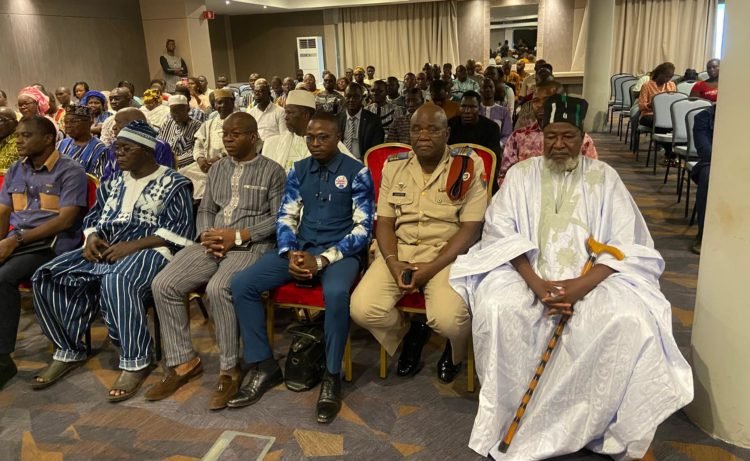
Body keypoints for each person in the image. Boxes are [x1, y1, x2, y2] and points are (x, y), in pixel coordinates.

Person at [449, 95, 693, 459]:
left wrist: (579, 288)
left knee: (629, 319)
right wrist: (537, 284)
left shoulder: (604, 177)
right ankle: (507, 417)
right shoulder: (520, 175)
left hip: (591, 278)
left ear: (583, 137)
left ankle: (593, 423)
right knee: (499, 309)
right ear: (542, 135)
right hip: (528, 274)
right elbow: (501, 233)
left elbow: (624, 242)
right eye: (552, 136)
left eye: (568, 136)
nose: (559, 144)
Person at [31, 120, 195, 401]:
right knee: (47, 276)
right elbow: (94, 218)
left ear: (146, 151)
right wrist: (92, 238)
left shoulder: (175, 183)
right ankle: (68, 349)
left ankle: (136, 360)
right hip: (107, 248)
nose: (117, 153)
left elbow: (180, 232)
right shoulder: (113, 183)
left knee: (117, 279)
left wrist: (132, 246)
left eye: (126, 149)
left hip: (153, 250)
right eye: (116, 148)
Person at [228, 112, 375, 424]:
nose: (315, 143)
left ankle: (332, 377)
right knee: (242, 284)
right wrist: (291, 252)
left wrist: (322, 260)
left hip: (340, 253)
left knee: (336, 294)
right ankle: (264, 365)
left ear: (338, 138)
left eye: (323, 137)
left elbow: (363, 230)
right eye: (310, 137)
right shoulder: (298, 169)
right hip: (300, 248)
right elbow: (286, 216)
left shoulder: (357, 172)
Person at [147, 113, 286, 410]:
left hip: (250, 245)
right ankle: (183, 361)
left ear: (253, 137)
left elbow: (279, 219)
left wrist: (237, 236)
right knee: (164, 283)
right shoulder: (218, 168)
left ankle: (229, 369)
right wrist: (207, 234)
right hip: (212, 242)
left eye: (236, 134)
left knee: (218, 288)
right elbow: (206, 208)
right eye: (225, 134)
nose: (228, 139)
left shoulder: (272, 171)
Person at [351, 103, 486, 383]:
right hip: (400, 251)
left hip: (446, 255)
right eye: (416, 129)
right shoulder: (395, 165)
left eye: (433, 129)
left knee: (450, 321)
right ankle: (409, 333)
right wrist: (393, 263)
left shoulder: (467, 165)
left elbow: (471, 228)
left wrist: (431, 268)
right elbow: (385, 222)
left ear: (447, 133)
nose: (423, 135)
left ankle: (454, 351)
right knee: (362, 309)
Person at [0, 116, 88, 390]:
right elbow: (4, 211)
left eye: (26, 135)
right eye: (18, 135)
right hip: (18, 240)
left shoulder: (70, 171)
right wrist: (2, 242)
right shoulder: (16, 169)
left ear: (48, 139)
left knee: (3, 278)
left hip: (52, 244)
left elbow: (65, 221)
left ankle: (3, 361)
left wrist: (14, 241)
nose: (18, 140)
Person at [499, 84, 598, 185]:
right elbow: (505, 177)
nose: (540, 105)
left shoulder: (582, 140)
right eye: (536, 100)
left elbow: (592, 177)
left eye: (547, 100)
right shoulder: (518, 137)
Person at [262, 90, 355, 172]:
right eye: (286, 112)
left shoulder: (329, 143)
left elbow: (353, 167)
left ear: (305, 115)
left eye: (290, 113)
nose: (285, 117)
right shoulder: (274, 144)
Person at [182, 89, 236, 199]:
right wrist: (200, 159)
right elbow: (198, 145)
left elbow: (244, 146)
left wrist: (220, 157)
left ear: (233, 103)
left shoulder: (241, 121)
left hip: (231, 164)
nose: (223, 106)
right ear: (215, 105)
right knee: (182, 174)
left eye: (226, 102)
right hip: (207, 165)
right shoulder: (208, 124)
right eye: (219, 102)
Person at [101, 108, 174, 181]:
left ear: (136, 124)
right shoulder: (116, 145)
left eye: (118, 122)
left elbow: (164, 176)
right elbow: (107, 177)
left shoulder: (158, 146)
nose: (114, 127)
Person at [448, 91, 502, 187]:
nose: (467, 111)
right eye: (463, 106)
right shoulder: (450, 125)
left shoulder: (492, 128)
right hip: (453, 169)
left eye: (472, 107)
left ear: (479, 108)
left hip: (482, 172)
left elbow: (493, 157)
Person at [56, 105, 108, 178]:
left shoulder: (99, 150)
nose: (68, 125)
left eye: (73, 121)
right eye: (66, 122)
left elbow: (97, 180)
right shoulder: (60, 144)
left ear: (89, 122)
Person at [690, 105, 715, 255]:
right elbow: (705, 152)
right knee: (708, 174)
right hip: (712, 162)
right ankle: (703, 233)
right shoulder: (703, 117)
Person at [338, 83, 385, 160]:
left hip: (363, 163)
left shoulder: (374, 120)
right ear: (344, 97)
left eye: (356, 96)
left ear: (362, 98)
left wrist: (359, 162)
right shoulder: (337, 119)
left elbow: (376, 148)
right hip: (340, 161)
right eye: (348, 96)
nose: (351, 100)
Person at [157, 95, 202, 170]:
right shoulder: (167, 124)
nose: (176, 116)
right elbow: (159, 144)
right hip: (163, 163)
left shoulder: (197, 126)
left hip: (185, 166)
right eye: (173, 112)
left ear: (187, 109)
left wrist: (173, 161)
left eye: (179, 112)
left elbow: (196, 151)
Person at [639, 62, 677, 128]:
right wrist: (651, 105)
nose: (668, 79)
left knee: (677, 121)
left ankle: (664, 132)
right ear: (660, 73)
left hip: (666, 114)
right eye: (666, 76)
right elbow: (641, 106)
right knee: (661, 122)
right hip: (650, 114)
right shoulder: (647, 86)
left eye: (670, 77)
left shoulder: (671, 85)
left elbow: (674, 102)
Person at [478, 78, 512, 148]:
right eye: (484, 87)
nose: (488, 89)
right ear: (480, 90)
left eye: (490, 87)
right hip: (477, 148)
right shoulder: (476, 110)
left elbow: (507, 135)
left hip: (497, 149)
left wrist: (498, 145)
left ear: (494, 89)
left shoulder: (504, 111)